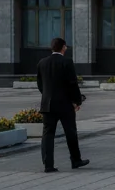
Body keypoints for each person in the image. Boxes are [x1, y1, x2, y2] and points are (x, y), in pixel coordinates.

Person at [36, 37, 89, 173]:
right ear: (63, 47)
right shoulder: (67, 62)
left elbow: (40, 85)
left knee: (48, 134)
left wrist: (47, 96)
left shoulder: (42, 62)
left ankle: (48, 165)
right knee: (70, 132)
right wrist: (77, 101)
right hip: (65, 105)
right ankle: (75, 160)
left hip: (47, 105)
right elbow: (72, 84)